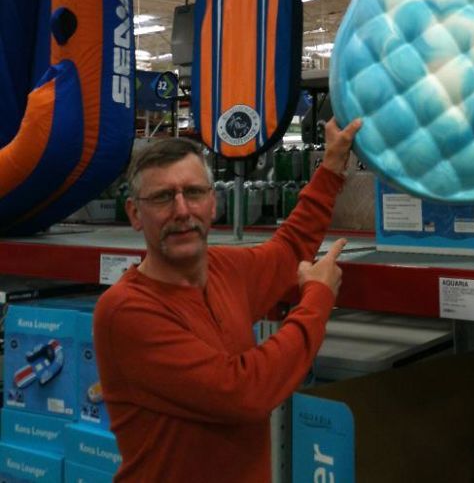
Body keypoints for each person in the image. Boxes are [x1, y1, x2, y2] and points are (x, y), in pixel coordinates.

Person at [93, 116, 362, 483]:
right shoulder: (125, 311)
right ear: (135, 214)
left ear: (214, 203)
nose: (182, 210)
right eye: (162, 197)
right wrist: (317, 297)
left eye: (194, 192)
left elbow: (289, 250)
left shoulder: (225, 269)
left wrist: (331, 167)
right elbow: (245, 394)